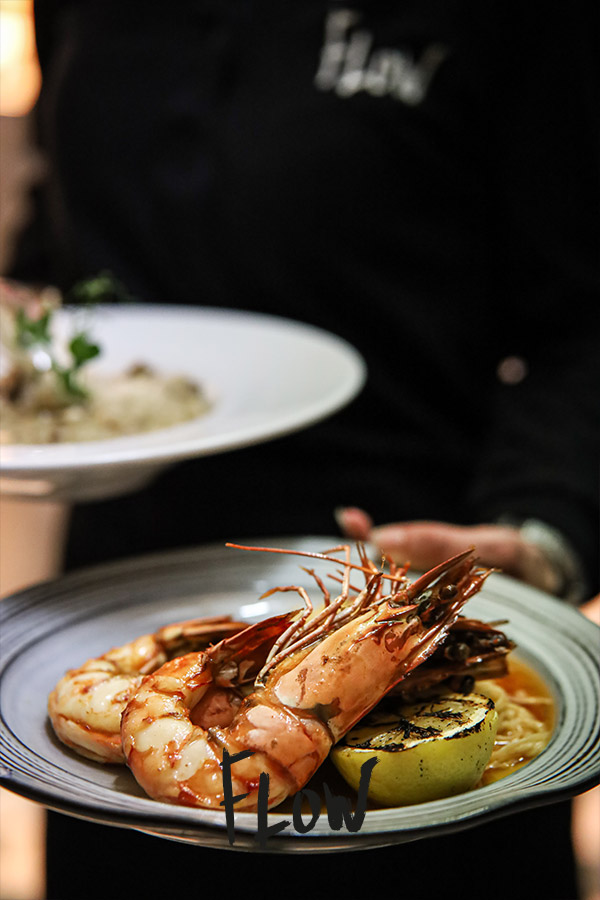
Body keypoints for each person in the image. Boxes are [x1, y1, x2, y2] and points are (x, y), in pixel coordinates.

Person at [7, 1, 598, 898]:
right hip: (120, 598)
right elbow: (67, 228)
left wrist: (544, 525)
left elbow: (583, 316)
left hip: (404, 563)